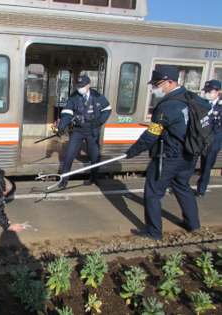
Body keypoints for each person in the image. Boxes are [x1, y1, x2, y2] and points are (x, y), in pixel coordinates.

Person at [126, 65, 201, 240]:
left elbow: (151, 134)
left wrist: (133, 151)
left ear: (169, 82)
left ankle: (153, 232)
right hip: (189, 155)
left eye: (157, 84)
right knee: (183, 187)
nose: (154, 88)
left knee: (152, 194)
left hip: (168, 157)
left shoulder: (167, 106)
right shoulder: (191, 98)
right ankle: (193, 224)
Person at [56, 75, 112, 188]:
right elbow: (67, 113)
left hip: (92, 130)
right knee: (69, 154)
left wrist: (100, 121)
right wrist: (61, 127)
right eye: (78, 86)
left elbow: (107, 110)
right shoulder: (74, 97)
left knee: (95, 155)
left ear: (89, 85)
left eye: (82, 86)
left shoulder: (97, 96)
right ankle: (64, 179)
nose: (80, 88)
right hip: (78, 130)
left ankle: (94, 178)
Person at [193, 80, 222, 198]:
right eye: (206, 91)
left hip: (214, 138)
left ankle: (201, 189)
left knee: (207, 165)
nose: (208, 93)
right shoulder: (202, 103)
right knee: (190, 162)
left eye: (210, 91)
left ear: (218, 91)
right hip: (199, 137)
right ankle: (181, 185)